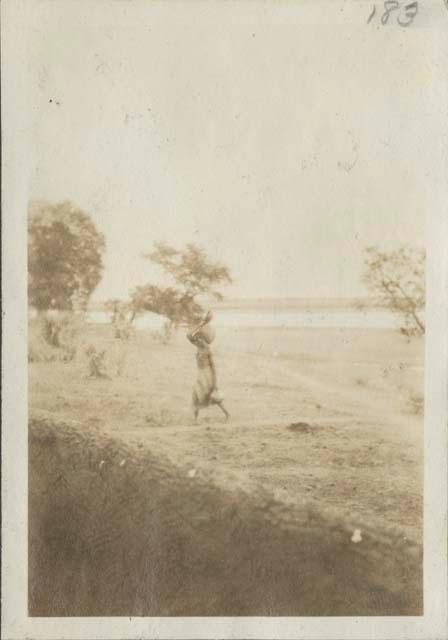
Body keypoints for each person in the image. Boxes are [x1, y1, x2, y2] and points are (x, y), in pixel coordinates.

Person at [187, 311, 230, 423]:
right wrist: (201, 324)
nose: (198, 340)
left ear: (203, 339)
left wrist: (214, 384)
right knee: (196, 395)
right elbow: (190, 336)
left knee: (210, 397)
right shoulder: (199, 347)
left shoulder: (207, 350)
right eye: (198, 338)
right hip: (201, 374)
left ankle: (227, 414)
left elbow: (213, 368)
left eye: (200, 338)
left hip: (207, 376)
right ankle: (195, 420)